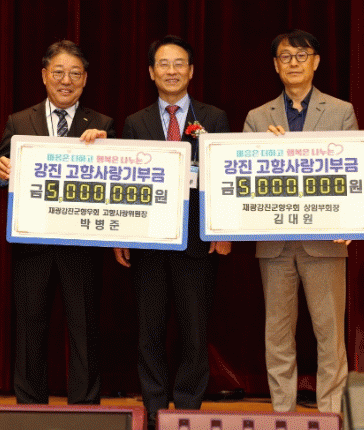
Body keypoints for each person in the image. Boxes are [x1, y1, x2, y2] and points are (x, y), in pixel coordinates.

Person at [112, 35, 230, 429]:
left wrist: (223, 228)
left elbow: (222, 176)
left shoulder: (213, 118)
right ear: (151, 72)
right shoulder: (136, 122)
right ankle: (154, 410)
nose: (172, 70)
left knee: (194, 332)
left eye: (179, 63)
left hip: (198, 242)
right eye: (163, 64)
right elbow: (127, 182)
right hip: (149, 242)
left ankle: (187, 411)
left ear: (191, 71)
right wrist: (122, 235)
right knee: (150, 331)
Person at [0, 40, 115, 405]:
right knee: (29, 329)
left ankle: (86, 407)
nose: (66, 80)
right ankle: (29, 407)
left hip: (82, 246)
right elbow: (2, 171)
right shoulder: (19, 121)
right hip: (33, 244)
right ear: (44, 75)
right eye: (59, 72)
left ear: (85, 79)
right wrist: (0, 171)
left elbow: (115, 185)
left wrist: (107, 149)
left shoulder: (102, 124)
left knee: (84, 329)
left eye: (75, 73)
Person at [243, 29, 357, 413]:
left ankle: (330, 414)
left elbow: (353, 172)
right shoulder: (258, 118)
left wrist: (352, 221)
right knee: (277, 336)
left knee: (330, 335)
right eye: (285, 57)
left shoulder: (340, 112)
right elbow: (244, 179)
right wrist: (263, 152)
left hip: (325, 240)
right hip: (274, 241)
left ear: (316, 62)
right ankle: (283, 414)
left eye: (301, 55)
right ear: (276, 66)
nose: (294, 63)